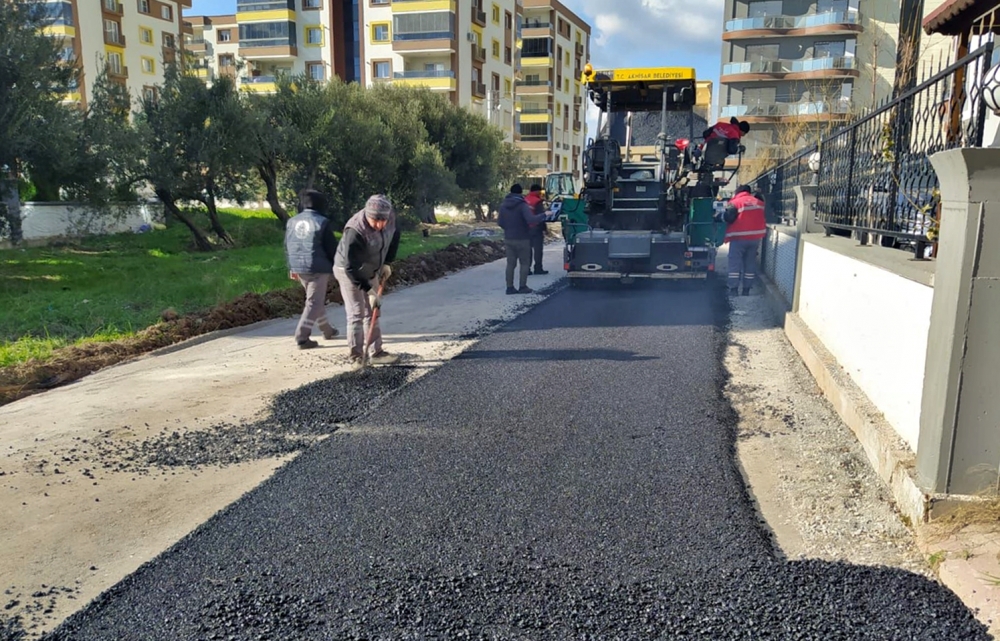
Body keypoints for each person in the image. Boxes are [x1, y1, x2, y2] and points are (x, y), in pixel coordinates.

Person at [333, 194, 401, 365]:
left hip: (372, 268)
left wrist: (387, 263)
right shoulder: (355, 230)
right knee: (357, 313)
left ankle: (376, 353)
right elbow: (350, 267)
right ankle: (356, 357)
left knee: (373, 311)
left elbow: (394, 237)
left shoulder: (389, 217)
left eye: (383, 221)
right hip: (348, 270)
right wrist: (369, 291)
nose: (379, 225)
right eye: (375, 221)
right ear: (367, 215)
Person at [285, 189, 339, 350]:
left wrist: (291, 267)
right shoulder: (322, 222)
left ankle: (327, 330)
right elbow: (332, 248)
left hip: (299, 267)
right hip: (318, 267)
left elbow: (287, 245)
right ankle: (302, 337)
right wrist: (337, 266)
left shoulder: (291, 222)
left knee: (314, 300)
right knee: (314, 302)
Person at [498, 184, 548, 294]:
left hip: (509, 238)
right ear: (520, 193)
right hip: (523, 238)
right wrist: (544, 215)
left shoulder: (503, 205)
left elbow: (500, 222)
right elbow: (531, 219)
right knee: (524, 263)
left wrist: (509, 229)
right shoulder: (522, 205)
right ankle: (522, 286)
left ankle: (509, 287)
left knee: (510, 264)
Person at [722, 185, 767, 296]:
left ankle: (733, 289)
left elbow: (729, 217)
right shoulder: (758, 202)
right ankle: (746, 290)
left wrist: (720, 217)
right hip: (755, 239)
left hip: (738, 238)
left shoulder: (736, 202)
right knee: (749, 263)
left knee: (734, 264)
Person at [525, 184, 549, 275]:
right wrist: (545, 228)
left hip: (526, 228)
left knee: (528, 249)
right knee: (538, 249)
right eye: (540, 191)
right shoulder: (537, 201)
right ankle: (538, 268)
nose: (540, 193)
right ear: (536, 191)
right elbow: (541, 216)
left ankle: (527, 269)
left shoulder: (525, 199)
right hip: (536, 228)